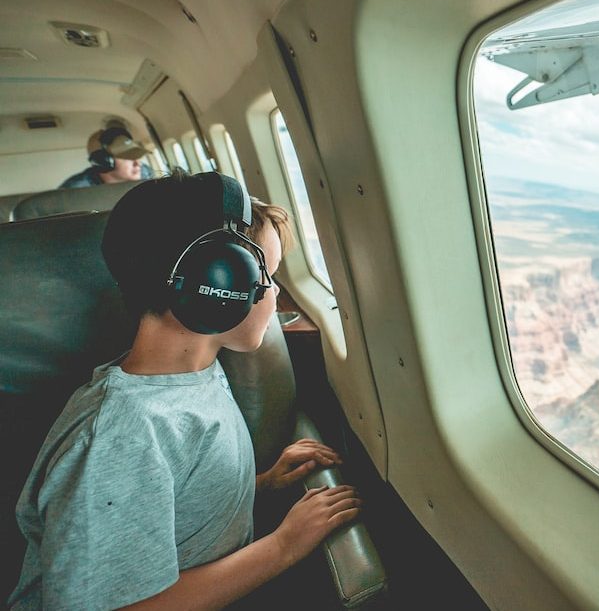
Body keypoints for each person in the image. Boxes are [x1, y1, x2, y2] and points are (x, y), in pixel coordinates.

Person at [8, 171, 359, 610]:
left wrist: (259, 485)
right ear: (217, 281)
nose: (273, 295)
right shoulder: (123, 437)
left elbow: (168, 502)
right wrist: (282, 547)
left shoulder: (197, 374)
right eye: (266, 276)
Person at [59, 125, 154, 188]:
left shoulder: (145, 172)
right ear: (103, 162)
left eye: (136, 156)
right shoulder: (74, 190)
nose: (138, 164)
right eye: (128, 157)